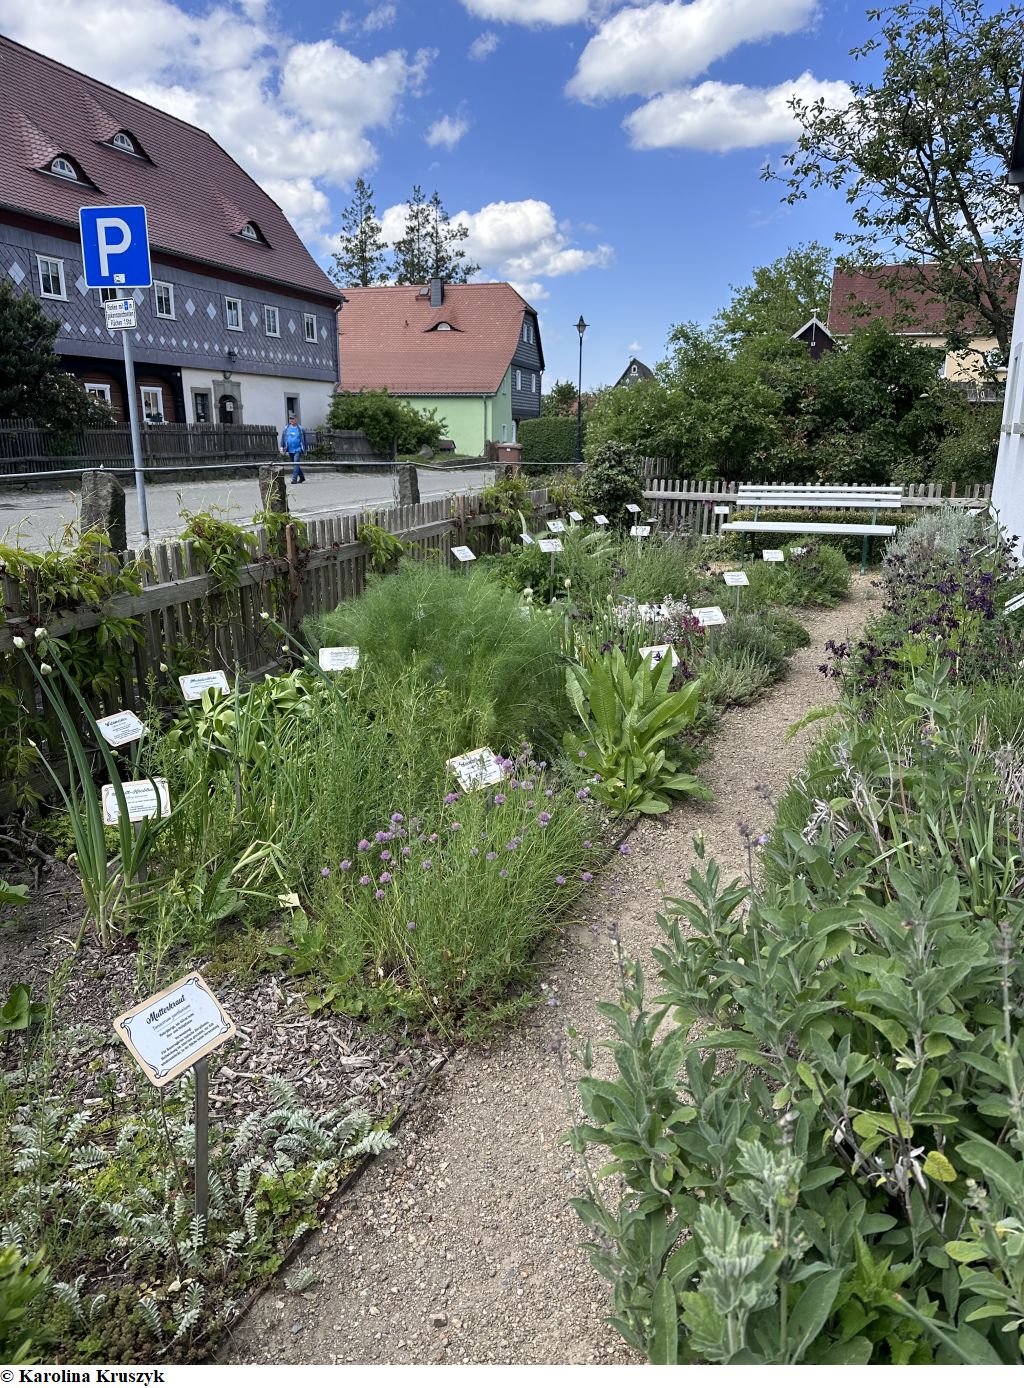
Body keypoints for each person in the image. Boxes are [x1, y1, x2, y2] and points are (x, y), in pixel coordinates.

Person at [280, 414, 305, 483]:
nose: (291, 420)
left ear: (296, 419)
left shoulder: (300, 429)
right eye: (290, 419)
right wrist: (281, 447)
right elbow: (283, 438)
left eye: (293, 419)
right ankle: (302, 477)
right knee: (294, 464)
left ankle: (294, 479)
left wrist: (305, 449)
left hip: (298, 449)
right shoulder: (286, 428)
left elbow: (304, 440)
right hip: (290, 449)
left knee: (296, 463)